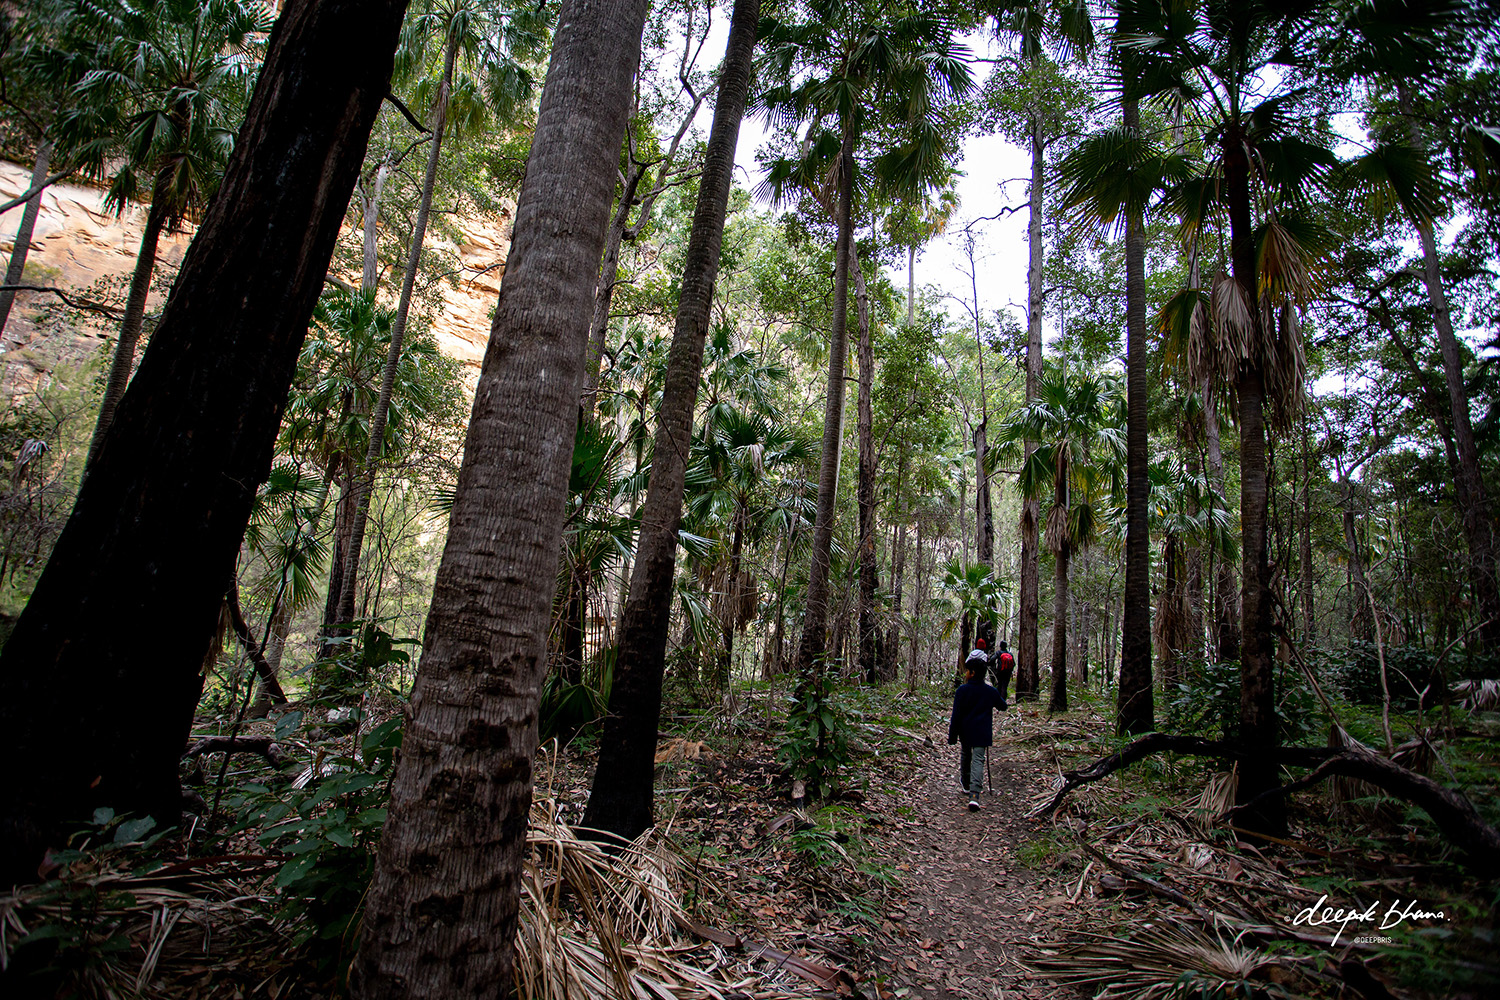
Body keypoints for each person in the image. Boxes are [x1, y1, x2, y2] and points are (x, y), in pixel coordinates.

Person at [947, 653, 1007, 811]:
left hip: (966, 732)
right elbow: (1003, 706)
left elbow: (956, 716)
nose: (965, 674)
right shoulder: (990, 691)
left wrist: (953, 736)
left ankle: (966, 784)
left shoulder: (962, 691)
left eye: (967, 671)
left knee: (966, 755)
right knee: (978, 760)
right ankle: (974, 795)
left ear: (972, 673)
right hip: (982, 732)